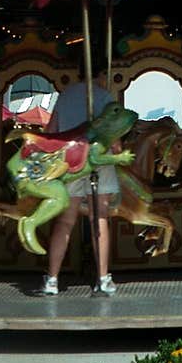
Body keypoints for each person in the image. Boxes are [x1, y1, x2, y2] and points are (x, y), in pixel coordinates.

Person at [39, 58, 121, 298]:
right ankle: (103, 278)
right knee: (100, 218)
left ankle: (52, 279)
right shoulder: (105, 98)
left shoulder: (65, 96)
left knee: (65, 222)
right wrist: (118, 150)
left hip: (71, 160)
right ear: (101, 74)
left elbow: (51, 131)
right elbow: (114, 139)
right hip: (98, 160)